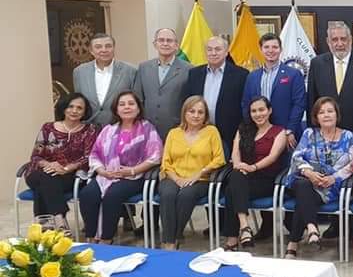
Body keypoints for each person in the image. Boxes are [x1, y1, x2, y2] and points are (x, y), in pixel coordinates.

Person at [78, 91, 162, 243]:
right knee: (86, 194)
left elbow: (155, 156)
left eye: (131, 104)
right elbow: (94, 154)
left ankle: (106, 239)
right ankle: (91, 236)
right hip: (106, 175)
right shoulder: (108, 130)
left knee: (112, 195)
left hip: (134, 177)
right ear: (116, 109)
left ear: (138, 108)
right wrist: (102, 171)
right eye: (122, 104)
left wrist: (132, 171)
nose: (127, 107)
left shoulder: (147, 128)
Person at [285, 97, 353, 258]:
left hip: (330, 186)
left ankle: (294, 243)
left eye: (330, 111)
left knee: (303, 199)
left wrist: (333, 178)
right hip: (304, 179)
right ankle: (312, 227)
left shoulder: (347, 136)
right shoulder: (309, 133)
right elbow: (296, 157)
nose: (326, 115)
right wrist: (309, 173)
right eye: (321, 112)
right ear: (316, 117)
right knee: (304, 186)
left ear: (337, 114)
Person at [157, 96, 226, 250]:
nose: (196, 115)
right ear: (184, 113)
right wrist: (176, 179)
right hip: (173, 177)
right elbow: (166, 162)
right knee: (168, 194)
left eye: (200, 112)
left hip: (201, 180)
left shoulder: (211, 132)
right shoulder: (173, 133)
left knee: (185, 195)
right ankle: (170, 241)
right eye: (192, 111)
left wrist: (198, 174)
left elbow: (219, 159)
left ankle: (172, 240)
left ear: (205, 115)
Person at [24, 93, 97, 231]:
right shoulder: (48, 127)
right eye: (70, 106)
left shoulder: (89, 130)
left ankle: (47, 224)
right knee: (46, 177)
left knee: (44, 184)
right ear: (63, 108)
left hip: (70, 176)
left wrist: (66, 168)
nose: (74, 111)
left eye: (79, 108)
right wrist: (50, 165)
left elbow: (88, 157)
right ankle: (59, 219)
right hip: (38, 172)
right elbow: (35, 156)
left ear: (84, 111)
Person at [222, 96, 286, 251]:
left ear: (269, 111)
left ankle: (233, 239)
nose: (258, 114)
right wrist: (238, 165)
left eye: (261, 110)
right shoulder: (243, 129)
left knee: (232, 190)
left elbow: (272, 157)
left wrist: (253, 167)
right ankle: (244, 227)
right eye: (254, 111)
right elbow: (235, 153)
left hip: (267, 180)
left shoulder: (279, 132)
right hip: (243, 176)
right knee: (235, 179)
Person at [306, 21, 353, 139]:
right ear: (328, 42)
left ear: (350, 40)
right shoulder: (317, 64)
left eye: (343, 39)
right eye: (334, 39)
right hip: (325, 133)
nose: (339, 44)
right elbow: (311, 100)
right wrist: (313, 131)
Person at [181, 36, 249, 154]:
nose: (213, 53)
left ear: (226, 52)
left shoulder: (241, 75)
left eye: (218, 49)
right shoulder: (194, 74)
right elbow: (187, 103)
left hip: (228, 135)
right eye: (209, 49)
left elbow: (244, 107)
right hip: (198, 133)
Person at [241, 33, 306, 147]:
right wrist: (251, 129)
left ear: (281, 50)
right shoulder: (252, 77)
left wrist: (290, 129)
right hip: (259, 134)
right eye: (266, 47)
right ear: (261, 50)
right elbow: (246, 104)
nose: (270, 51)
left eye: (275, 47)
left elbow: (299, 104)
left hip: (286, 134)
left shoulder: (294, 74)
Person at [133, 28, 192, 140]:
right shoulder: (144, 68)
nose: (165, 43)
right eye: (161, 40)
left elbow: (190, 102)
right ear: (155, 44)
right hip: (147, 130)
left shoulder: (188, 69)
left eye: (169, 40)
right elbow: (137, 99)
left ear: (176, 45)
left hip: (177, 130)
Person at [73, 33, 137, 126]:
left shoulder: (130, 71)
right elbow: (78, 101)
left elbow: (137, 102)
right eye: (98, 47)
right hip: (89, 127)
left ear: (114, 48)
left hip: (119, 127)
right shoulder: (80, 72)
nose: (104, 50)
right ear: (91, 50)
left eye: (108, 46)